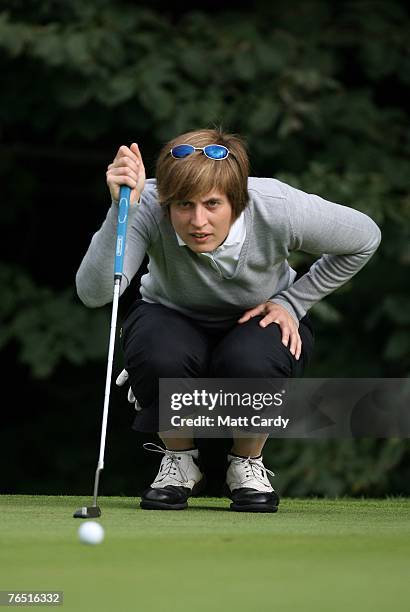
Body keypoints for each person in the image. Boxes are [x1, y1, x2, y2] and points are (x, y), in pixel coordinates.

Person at [76, 128, 381, 513]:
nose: (197, 220)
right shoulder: (148, 205)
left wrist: (293, 301)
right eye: (183, 205)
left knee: (252, 359)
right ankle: (179, 463)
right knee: (158, 349)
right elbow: (94, 293)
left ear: (236, 200)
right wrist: (123, 210)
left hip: (257, 320)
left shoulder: (276, 206)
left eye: (212, 204)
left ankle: (247, 465)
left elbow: (365, 238)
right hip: (171, 315)